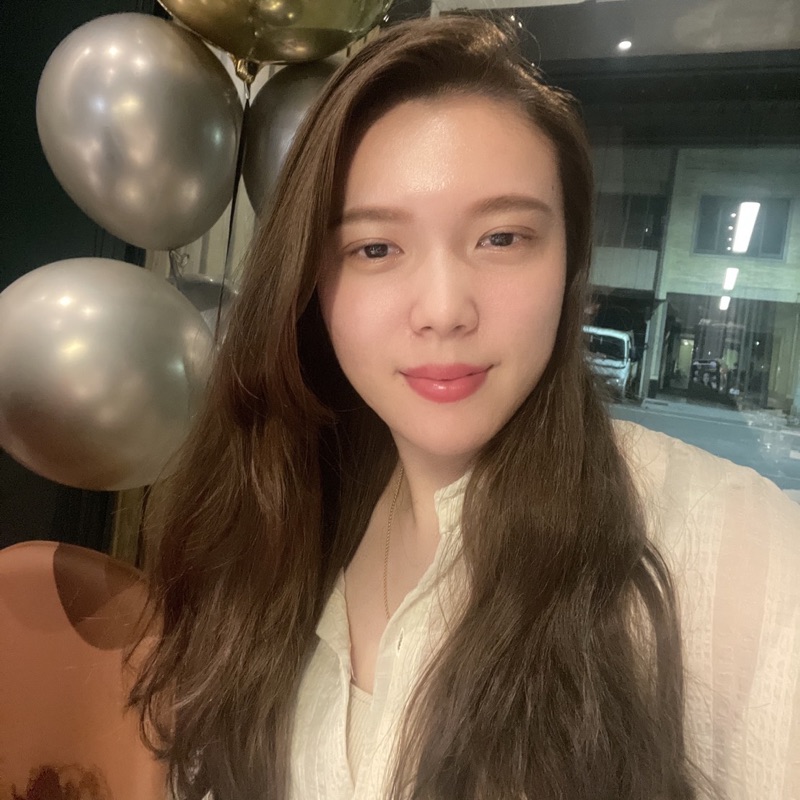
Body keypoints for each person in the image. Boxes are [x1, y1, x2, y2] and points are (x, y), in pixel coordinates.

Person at [129, 13, 800, 800]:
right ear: (312, 283)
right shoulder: (279, 519)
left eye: (502, 238)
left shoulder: (732, 550)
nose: (445, 310)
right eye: (375, 248)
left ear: (569, 263)